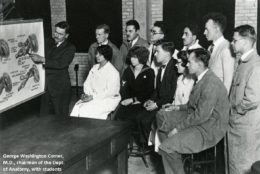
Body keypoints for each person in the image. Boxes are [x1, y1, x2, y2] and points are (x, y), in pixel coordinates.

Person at [156, 48, 229, 174]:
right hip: (197, 118)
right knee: (161, 115)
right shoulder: (201, 77)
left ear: (199, 64)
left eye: (189, 62)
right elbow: (192, 105)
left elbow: (201, 116)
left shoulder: (211, 83)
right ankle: (174, 155)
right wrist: (177, 107)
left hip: (208, 127)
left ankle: (171, 149)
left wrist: (177, 129)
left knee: (167, 147)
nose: (186, 64)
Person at [228, 25, 260, 174]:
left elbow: (252, 99)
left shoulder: (256, 65)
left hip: (245, 128)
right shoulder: (243, 63)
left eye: (235, 40)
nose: (232, 43)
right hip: (237, 126)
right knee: (234, 165)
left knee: (243, 167)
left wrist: (235, 111)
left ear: (245, 42)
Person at [149, 50, 195, 152]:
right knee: (159, 121)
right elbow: (175, 99)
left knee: (163, 123)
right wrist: (170, 105)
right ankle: (165, 154)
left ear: (186, 64)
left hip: (186, 115)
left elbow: (189, 105)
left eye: (178, 63)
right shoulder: (179, 79)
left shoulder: (192, 81)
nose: (176, 65)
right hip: (176, 111)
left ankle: (169, 153)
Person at [136, 41, 178, 145]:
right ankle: (145, 146)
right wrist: (151, 100)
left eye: (157, 52)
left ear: (167, 53)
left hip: (168, 105)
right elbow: (158, 90)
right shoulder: (161, 67)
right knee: (139, 117)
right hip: (160, 101)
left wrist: (156, 105)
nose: (154, 55)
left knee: (145, 120)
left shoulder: (174, 68)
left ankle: (153, 149)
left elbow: (171, 95)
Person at [30, 21, 76, 118]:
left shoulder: (70, 48)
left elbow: (61, 64)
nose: (57, 35)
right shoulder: (48, 42)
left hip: (60, 89)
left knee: (61, 118)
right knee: (44, 117)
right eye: (56, 32)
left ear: (66, 35)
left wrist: (42, 59)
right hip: (46, 88)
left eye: (60, 34)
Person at [70, 45, 121, 119]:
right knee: (77, 106)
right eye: (96, 53)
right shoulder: (94, 67)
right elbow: (87, 83)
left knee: (86, 110)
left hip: (106, 99)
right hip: (92, 96)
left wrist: (93, 97)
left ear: (106, 55)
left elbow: (110, 92)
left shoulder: (113, 72)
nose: (97, 56)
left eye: (100, 54)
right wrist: (88, 94)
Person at [115, 46, 155, 131]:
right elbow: (123, 88)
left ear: (142, 58)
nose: (132, 59)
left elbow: (149, 91)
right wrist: (127, 100)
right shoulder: (128, 70)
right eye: (131, 57)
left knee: (136, 119)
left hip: (142, 102)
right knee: (118, 116)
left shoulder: (149, 72)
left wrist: (135, 99)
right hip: (127, 101)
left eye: (135, 57)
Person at [203, 12, 235, 93]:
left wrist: (221, 103)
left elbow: (228, 82)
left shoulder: (226, 48)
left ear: (216, 29)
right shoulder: (210, 48)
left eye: (207, 29)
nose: (204, 32)